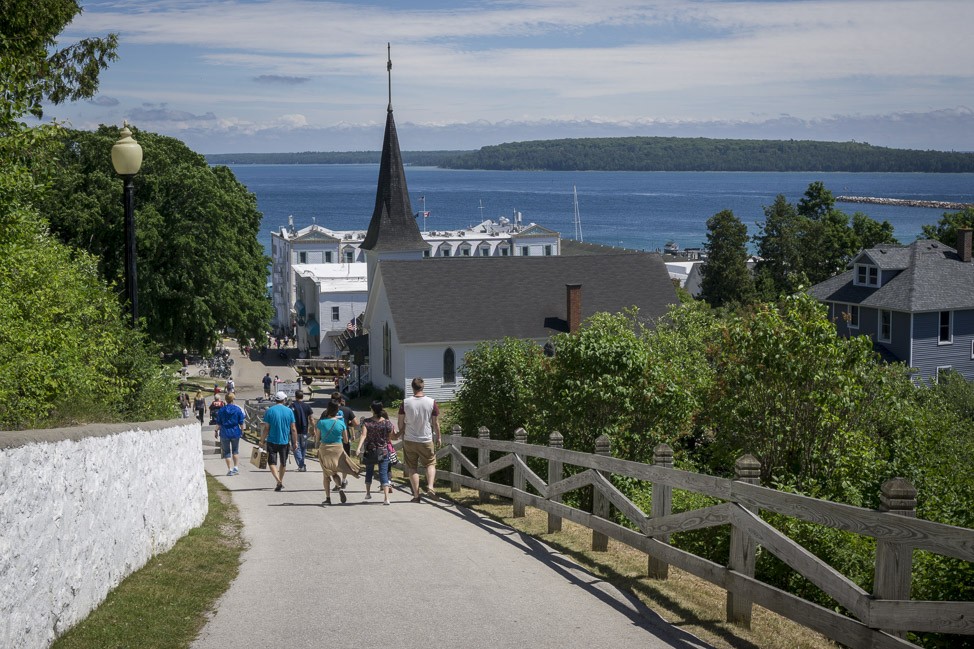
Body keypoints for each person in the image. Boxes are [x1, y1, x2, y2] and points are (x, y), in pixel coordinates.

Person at [397, 377, 441, 503]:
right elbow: (435, 423)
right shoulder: (431, 402)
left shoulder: (405, 403)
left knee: (412, 468)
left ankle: (416, 496)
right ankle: (430, 486)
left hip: (410, 439)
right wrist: (438, 436)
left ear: (412, 387)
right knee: (430, 463)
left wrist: (402, 434)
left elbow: (400, 421)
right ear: (423, 387)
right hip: (425, 438)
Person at [316, 400, 359, 505]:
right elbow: (345, 440)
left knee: (327, 474)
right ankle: (340, 488)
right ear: (337, 411)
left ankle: (328, 498)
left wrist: (318, 444)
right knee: (335, 470)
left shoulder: (321, 423)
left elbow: (317, 438)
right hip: (338, 448)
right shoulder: (341, 423)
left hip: (325, 449)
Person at [357, 400, 398, 505]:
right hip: (383, 451)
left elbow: (363, 435)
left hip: (370, 450)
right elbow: (392, 437)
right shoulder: (387, 422)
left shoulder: (367, 422)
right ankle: (386, 498)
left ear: (372, 410)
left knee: (369, 471)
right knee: (383, 473)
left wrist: (359, 448)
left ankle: (368, 493)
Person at [259, 391, 297, 491]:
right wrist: (295, 442)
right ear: (284, 400)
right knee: (283, 463)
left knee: (272, 462)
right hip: (284, 441)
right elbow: (293, 428)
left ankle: (278, 481)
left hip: (272, 440)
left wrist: (262, 440)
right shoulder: (289, 411)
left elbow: (266, 428)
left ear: (275, 400)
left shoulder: (269, 411)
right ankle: (280, 480)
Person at [215, 392, 246, 476]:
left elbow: (219, 422)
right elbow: (241, 422)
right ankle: (236, 467)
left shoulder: (222, 410)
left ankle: (230, 469)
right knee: (235, 450)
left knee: (227, 452)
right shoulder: (237, 409)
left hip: (225, 432)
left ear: (226, 399)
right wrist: (242, 431)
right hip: (235, 431)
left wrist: (216, 431)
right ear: (233, 399)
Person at [290, 390, 314, 472]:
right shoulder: (307, 406)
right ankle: (302, 464)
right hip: (304, 429)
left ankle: (301, 465)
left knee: (296, 447)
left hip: (294, 430)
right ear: (302, 396)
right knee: (303, 448)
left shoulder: (292, 406)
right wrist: (313, 428)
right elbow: (311, 419)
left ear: (295, 396)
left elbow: (289, 418)